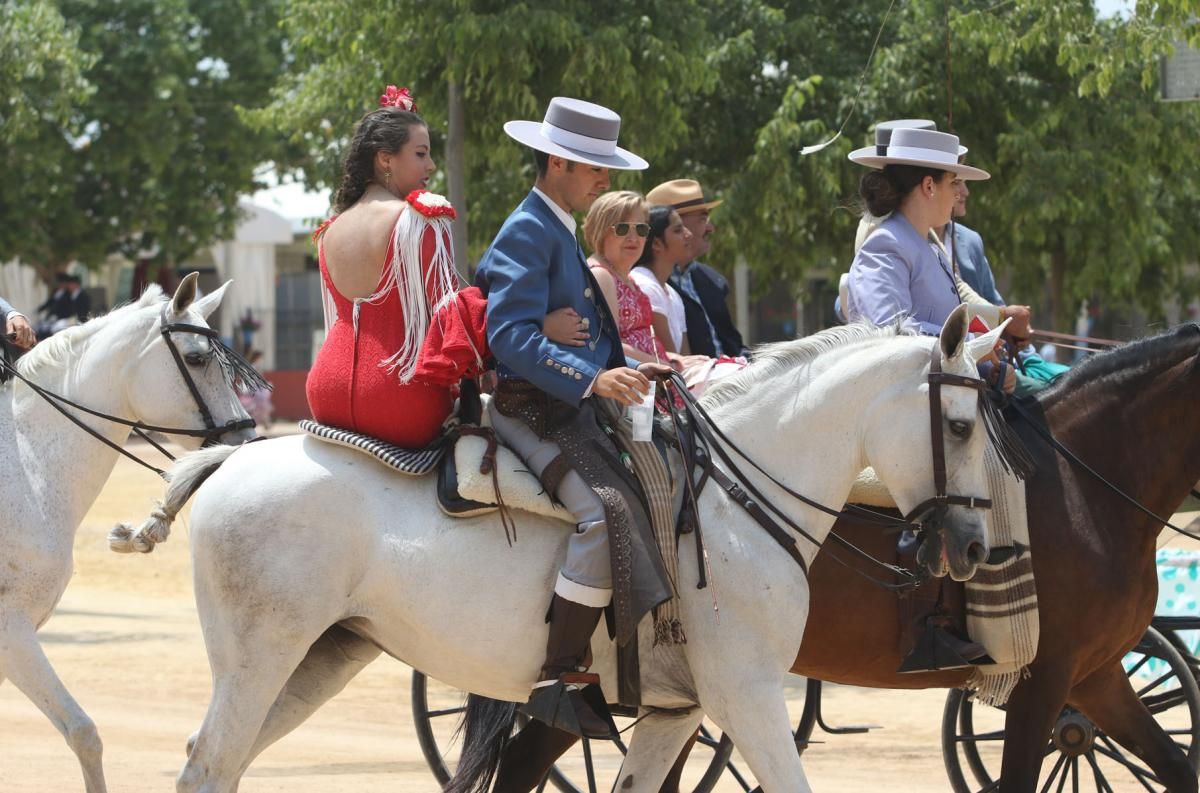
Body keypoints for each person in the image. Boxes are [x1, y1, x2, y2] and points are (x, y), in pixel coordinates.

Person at [475, 96, 673, 739]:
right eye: (595, 166)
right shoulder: (529, 228)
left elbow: (573, 330)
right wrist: (591, 374)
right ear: (559, 160)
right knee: (601, 513)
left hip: (569, 406)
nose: (606, 179)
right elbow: (507, 335)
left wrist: (624, 370)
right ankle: (558, 676)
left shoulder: (555, 223)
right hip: (529, 410)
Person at [843, 126, 1030, 391]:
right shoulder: (886, 245)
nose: (958, 193)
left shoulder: (930, 246)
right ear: (929, 186)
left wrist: (987, 365)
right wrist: (971, 345)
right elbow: (888, 332)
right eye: (953, 182)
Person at [630, 205, 746, 394]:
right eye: (678, 230)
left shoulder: (672, 292)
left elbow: (685, 355)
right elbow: (667, 359)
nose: (688, 235)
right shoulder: (645, 284)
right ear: (657, 244)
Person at [646, 179, 749, 358]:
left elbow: (735, 346)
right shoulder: (647, 285)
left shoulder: (713, 280)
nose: (711, 228)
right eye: (703, 219)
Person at [583, 191, 671, 365]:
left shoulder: (626, 276)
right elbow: (609, 346)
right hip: (637, 382)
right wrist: (665, 366)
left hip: (655, 374)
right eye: (622, 228)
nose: (634, 238)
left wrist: (677, 360)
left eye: (641, 228)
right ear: (600, 231)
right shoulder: (601, 275)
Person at [36, 272, 91, 339]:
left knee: (57, 328)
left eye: (71, 284)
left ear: (76, 285)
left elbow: (83, 310)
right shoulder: (68, 294)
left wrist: (79, 321)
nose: (69, 286)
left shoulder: (83, 296)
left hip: (76, 320)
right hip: (66, 319)